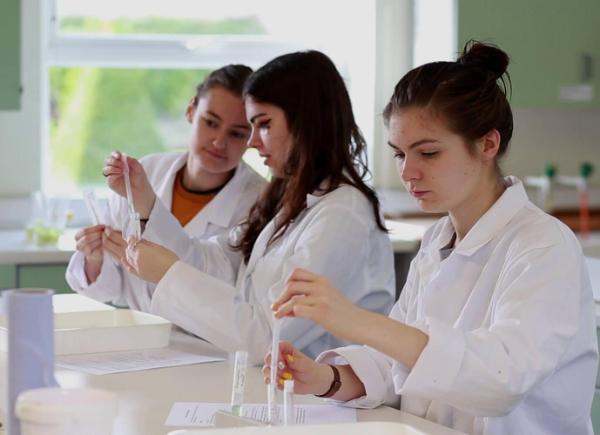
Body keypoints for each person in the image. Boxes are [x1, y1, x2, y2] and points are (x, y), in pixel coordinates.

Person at [265, 42, 598, 435]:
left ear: (488, 145)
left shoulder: (542, 246)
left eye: (428, 153)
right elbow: (401, 365)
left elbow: (500, 380)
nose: (408, 173)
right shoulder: (438, 240)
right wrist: (325, 378)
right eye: (400, 154)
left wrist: (354, 321)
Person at [120, 50, 396, 362]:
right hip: (286, 389)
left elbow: (268, 337)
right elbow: (219, 262)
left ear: (306, 121)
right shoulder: (289, 199)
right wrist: (147, 206)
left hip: (330, 401)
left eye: (263, 124)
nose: (252, 142)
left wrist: (170, 273)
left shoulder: (342, 215)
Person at [66, 64, 266, 311]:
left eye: (237, 133)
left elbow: (223, 291)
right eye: (211, 123)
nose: (218, 142)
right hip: (138, 336)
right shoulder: (147, 171)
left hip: (205, 346)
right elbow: (112, 289)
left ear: (253, 137)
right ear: (191, 110)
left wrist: (147, 206)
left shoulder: (260, 202)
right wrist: (94, 257)